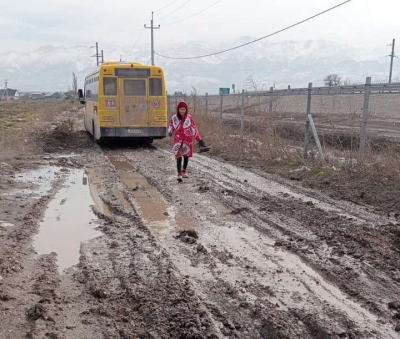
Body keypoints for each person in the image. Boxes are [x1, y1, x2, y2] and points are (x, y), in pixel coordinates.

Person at [168, 101, 210, 182]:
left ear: (186, 109)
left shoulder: (189, 118)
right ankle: (179, 174)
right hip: (178, 140)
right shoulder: (174, 118)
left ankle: (184, 171)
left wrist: (200, 141)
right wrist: (170, 131)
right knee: (179, 156)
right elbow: (171, 126)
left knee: (186, 156)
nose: (182, 111)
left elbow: (194, 129)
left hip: (187, 140)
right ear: (178, 109)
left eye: (184, 109)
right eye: (181, 109)